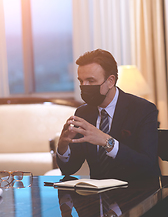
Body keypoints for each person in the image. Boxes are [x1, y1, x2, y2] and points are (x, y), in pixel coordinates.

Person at [56, 49, 161, 181]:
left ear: (111, 81)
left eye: (90, 80)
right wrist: (63, 147)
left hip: (139, 192)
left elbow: (147, 164)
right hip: (99, 196)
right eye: (81, 81)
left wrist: (107, 142)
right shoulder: (83, 113)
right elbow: (69, 169)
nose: (84, 86)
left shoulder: (143, 110)